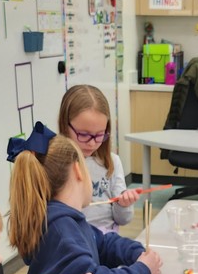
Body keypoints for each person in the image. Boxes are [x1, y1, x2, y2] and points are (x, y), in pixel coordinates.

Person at [7, 124, 162, 274]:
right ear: (77, 170)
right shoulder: (60, 228)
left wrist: (135, 253)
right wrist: (142, 270)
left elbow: (102, 243)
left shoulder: (66, 220)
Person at [59, 84, 141, 233]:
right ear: (65, 126)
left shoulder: (112, 162)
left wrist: (124, 204)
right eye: (83, 134)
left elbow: (123, 219)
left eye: (99, 135)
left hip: (108, 240)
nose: (91, 143)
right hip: (74, 241)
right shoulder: (55, 164)